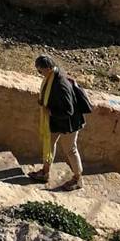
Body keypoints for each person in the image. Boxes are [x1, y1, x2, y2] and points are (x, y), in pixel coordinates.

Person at [28, 54, 85, 190]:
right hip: (57, 122)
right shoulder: (52, 76)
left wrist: (50, 112)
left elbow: (69, 111)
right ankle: (45, 172)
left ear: (48, 68)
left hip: (69, 123)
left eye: (40, 70)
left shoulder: (60, 85)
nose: (39, 73)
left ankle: (78, 179)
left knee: (71, 149)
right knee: (49, 143)